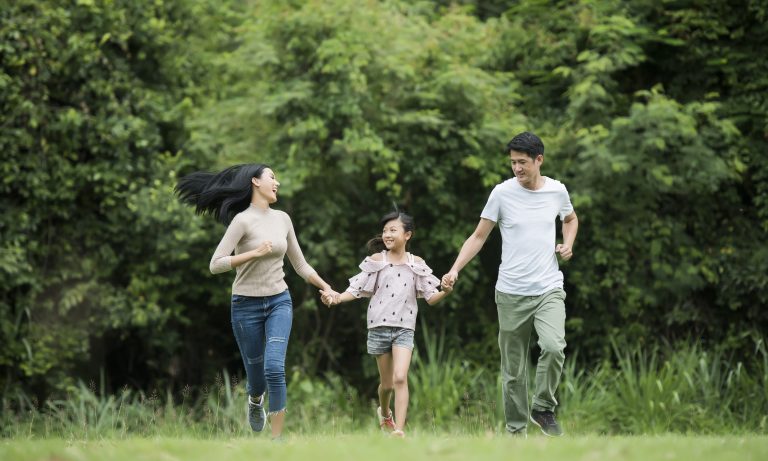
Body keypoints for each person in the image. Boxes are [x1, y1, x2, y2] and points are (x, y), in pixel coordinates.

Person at [175, 163, 339, 440]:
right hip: (245, 305)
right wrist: (253, 254)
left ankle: (277, 439)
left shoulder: (283, 219)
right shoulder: (242, 221)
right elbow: (216, 264)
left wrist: (326, 287)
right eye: (272, 177)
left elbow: (300, 265)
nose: (277, 183)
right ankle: (255, 400)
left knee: (274, 367)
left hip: (279, 301)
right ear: (255, 182)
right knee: (256, 375)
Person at [441, 132, 578, 437]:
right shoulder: (502, 194)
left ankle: (543, 407)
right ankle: (516, 434)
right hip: (511, 293)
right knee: (513, 372)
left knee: (554, 347)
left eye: (523, 162)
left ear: (538, 160)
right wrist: (455, 269)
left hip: (548, 288)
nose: (517, 168)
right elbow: (478, 237)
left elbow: (570, 219)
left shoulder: (557, 191)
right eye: (513, 162)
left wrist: (567, 244)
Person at [321, 211, 452, 438]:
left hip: (404, 328)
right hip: (378, 326)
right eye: (385, 231)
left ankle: (399, 430)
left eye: (393, 230)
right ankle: (384, 412)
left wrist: (446, 292)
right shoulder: (377, 261)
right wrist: (336, 298)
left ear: (407, 235)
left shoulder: (416, 264)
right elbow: (356, 289)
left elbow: (431, 298)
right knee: (388, 385)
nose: (387, 235)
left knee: (401, 377)